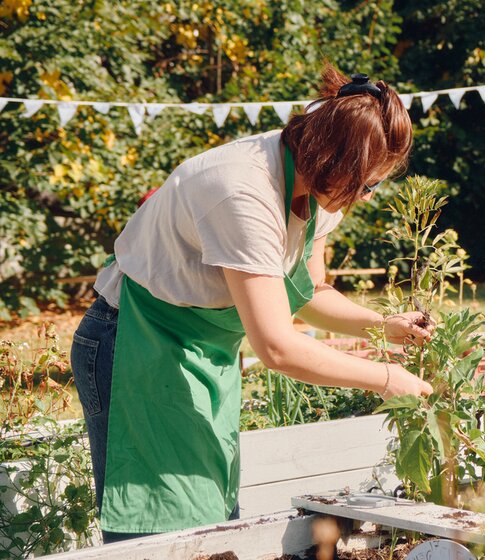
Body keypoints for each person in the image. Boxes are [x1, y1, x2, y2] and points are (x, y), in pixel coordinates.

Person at [70, 64, 434, 543]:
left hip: (197, 351)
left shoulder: (314, 187)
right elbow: (277, 347)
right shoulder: (243, 192)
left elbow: (309, 296)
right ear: (335, 164)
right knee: (161, 534)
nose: (365, 198)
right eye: (366, 184)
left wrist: (384, 326)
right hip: (135, 345)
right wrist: (388, 379)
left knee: (209, 521)